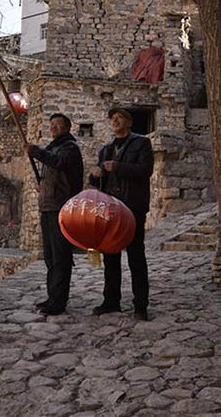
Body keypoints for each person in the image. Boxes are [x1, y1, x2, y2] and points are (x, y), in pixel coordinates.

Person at [90, 107, 153, 321]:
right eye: (112, 118)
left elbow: (145, 171)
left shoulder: (142, 143)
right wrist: (95, 174)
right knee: (111, 255)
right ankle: (111, 301)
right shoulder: (105, 149)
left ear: (129, 122)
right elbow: (100, 181)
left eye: (119, 118)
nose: (115, 121)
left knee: (136, 255)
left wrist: (117, 167)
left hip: (133, 207)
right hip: (111, 208)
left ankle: (140, 305)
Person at [26, 113, 83, 315]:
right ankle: (53, 297)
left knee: (60, 256)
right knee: (50, 256)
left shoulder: (70, 148)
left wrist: (36, 152)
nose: (54, 128)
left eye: (59, 125)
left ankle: (59, 301)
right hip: (48, 206)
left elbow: (58, 162)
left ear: (67, 128)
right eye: (52, 125)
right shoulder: (54, 148)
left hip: (62, 208)